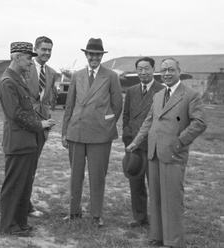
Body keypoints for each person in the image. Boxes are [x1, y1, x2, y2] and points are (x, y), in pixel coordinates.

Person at [126, 58, 207, 247]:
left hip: (173, 153)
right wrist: (136, 142)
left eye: (171, 70)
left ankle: (173, 240)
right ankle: (158, 236)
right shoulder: (158, 94)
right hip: (153, 152)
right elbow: (149, 121)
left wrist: (180, 141)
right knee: (156, 197)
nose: (167, 74)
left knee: (172, 198)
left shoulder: (190, 95)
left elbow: (200, 122)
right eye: (163, 71)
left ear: (179, 71)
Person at [61, 38, 123, 228]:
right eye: (91, 54)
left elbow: (117, 105)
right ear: (86, 55)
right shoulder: (77, 76)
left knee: (97, 175)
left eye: (97, 55)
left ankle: (96, 214)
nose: (94, 58)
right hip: (76, 133)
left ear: (101, 56)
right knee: (76, 174)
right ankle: (74, 211)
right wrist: (65, 132)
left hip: (100, 135)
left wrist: (105, 123)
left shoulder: (111, 76)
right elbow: (69, 105)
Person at [0, 41, 55, 237]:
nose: (31, 61)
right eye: (28, 57)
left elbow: (27, 109)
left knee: (22, 185)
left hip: (27, 142)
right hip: (18, 143)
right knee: (13, 185)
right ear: (16, 57)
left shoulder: (18, 79)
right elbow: (15, 114)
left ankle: (19, 223)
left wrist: (42, 121)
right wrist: (40, 125)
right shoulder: (8, 82)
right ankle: (8, 226)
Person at [122, 57, 165, 228]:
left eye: (147, 68)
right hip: (134, 145)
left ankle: (158, 220)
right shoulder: (131, 91)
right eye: (139, 69)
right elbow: (126, 115)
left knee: (155, 183)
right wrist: (126, 133)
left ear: (153, 70)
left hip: (153, 144)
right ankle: (140, 217)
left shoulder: (162, 90)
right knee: (136, 182)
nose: (143, 72)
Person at [24, 36, 58, 217]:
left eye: (50, 50)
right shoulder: (25, 68)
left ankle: (26, 203)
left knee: (33, 165)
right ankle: (22, 204)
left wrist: (47, 120)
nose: (46, 53)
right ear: (36, 49)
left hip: (43, 126)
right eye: (43, 49)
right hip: (26, 123)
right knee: (24, 165)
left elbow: (48, 99)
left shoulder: (52, 73)